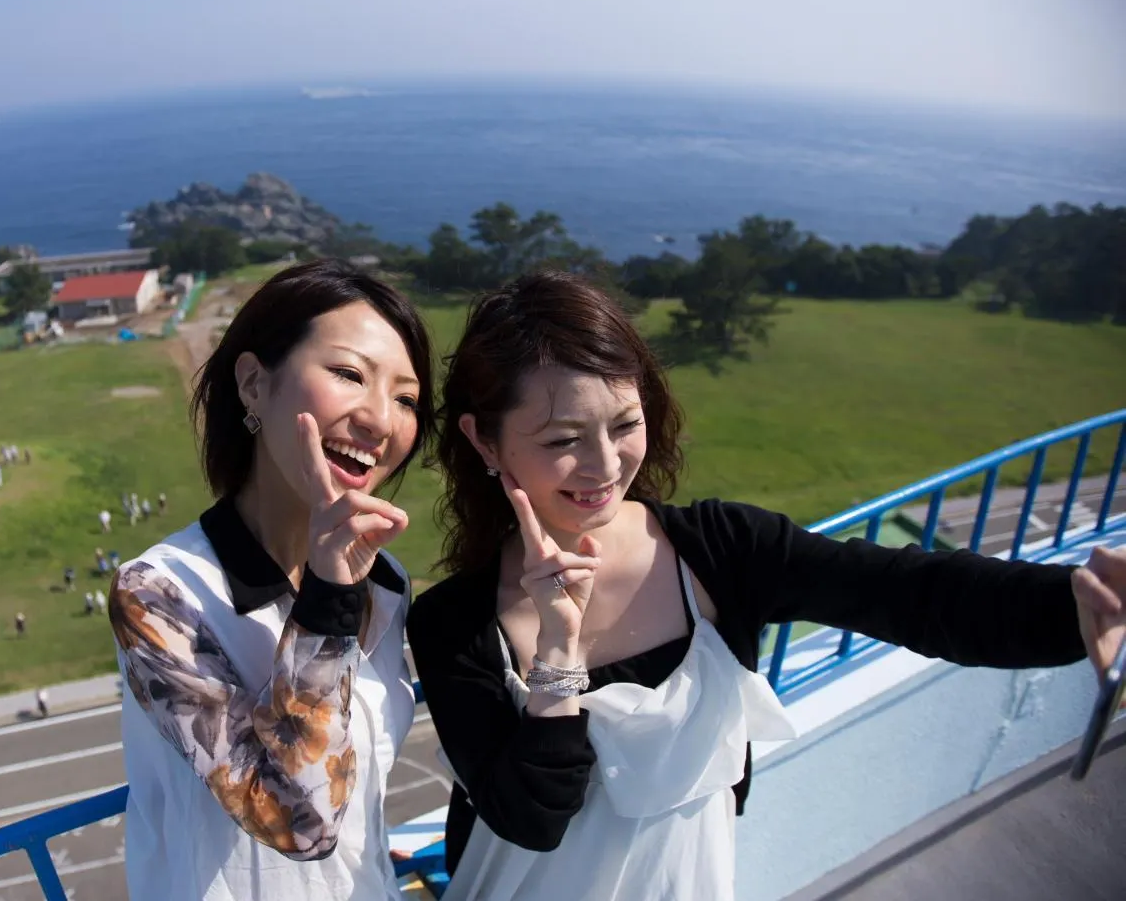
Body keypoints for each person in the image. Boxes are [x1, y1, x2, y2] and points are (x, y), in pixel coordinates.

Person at [407, 270, 1126, 901]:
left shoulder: (720, 551)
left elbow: (914, 594)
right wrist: (558, 657)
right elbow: (531, 818)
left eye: (626, 424)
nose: (603, 465)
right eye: (563, 440)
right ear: (484, 440)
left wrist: (1077, 605)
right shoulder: (455, 623)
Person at [106, 259, 436, 900]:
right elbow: (296, 821)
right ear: (254, 384)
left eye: (405, 399)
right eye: (348, 375)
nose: (381, 419)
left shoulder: (386, 582)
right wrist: (329, 595)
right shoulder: (159, 592)